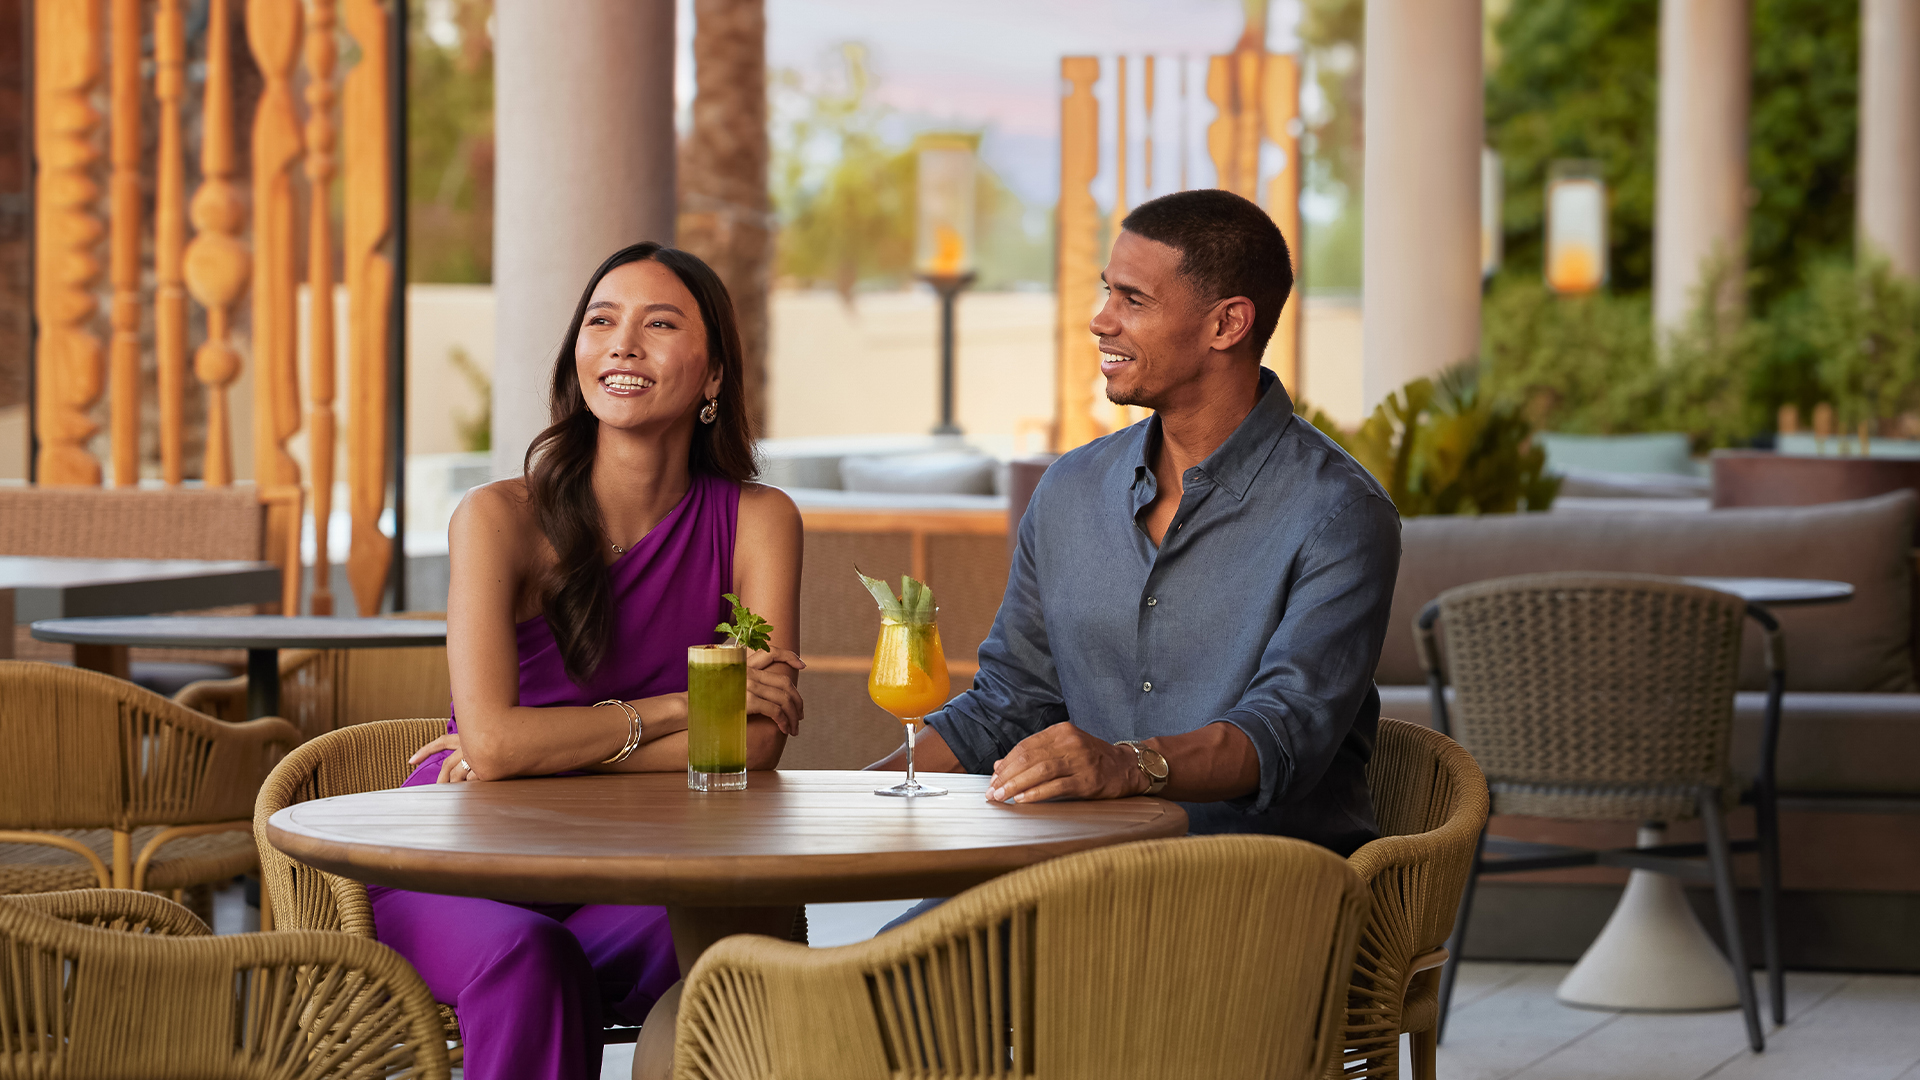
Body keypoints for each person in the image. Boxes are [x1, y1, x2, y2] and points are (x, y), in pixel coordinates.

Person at [379, 242, 805, 1080]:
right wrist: (685, 705)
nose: (623, 344)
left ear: (715, 373)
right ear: (578, 358)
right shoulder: (497, 519)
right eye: (601, 321)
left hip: (630, 868)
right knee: (528, 960)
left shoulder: (760, 519)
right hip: (461, 864)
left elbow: (753, 747)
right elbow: (495, 747)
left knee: (733, 945)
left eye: (661, 324)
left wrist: (532, 757)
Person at [887, 188, 1399, 855]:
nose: (1101, 321)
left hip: (1263, 890)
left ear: (1227, 325)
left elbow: (1285, 732)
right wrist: (851, 800)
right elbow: (1010, 704)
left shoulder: (1339, 513)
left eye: (1132, 299)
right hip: (1077, 871)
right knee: (888, 961)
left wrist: (1127, 766)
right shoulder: (1070, 490)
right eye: (1107, 293)